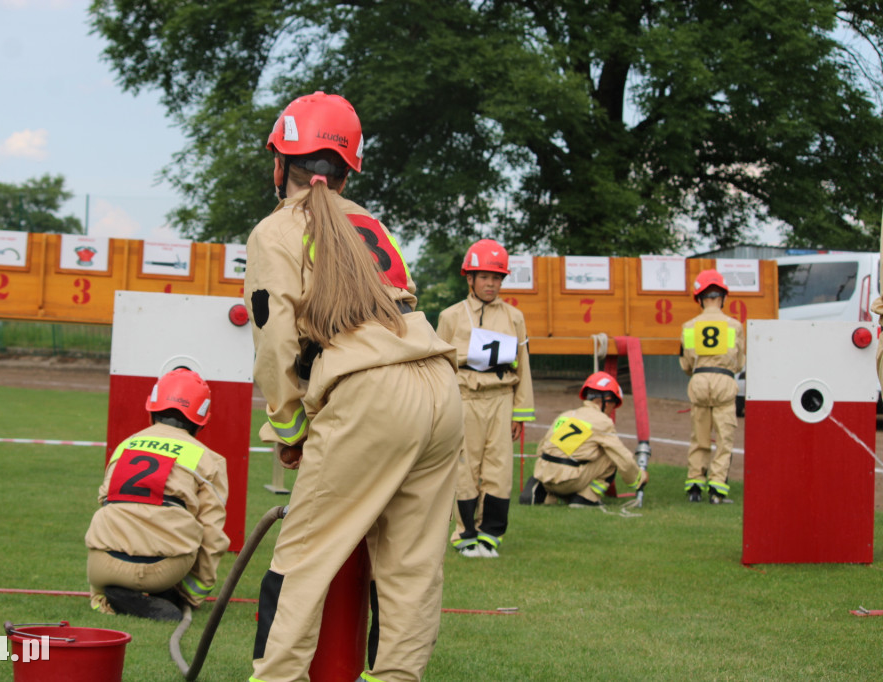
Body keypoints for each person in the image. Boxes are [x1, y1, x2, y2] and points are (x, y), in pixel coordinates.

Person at [244, 91, 464, 682]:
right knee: (413, 568)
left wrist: (289, 425)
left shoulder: (276, 230)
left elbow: (275, 339)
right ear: (347, 169)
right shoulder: (371, 222)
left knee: (301, 560)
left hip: (370, 393)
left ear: (279, 161)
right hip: (441, 389)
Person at [84, 367, 229, 622]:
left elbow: (106, 501)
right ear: (200, 418)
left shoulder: (125, 446)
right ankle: (158, 593)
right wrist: (191, 596)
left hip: (101, 564)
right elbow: (212, 536)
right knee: (187, 528)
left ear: (152, 409)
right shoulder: (208, 460)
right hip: (162, 568)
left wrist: (99, 590)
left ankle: (110, 596)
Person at [436, 239, 535, 557]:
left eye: (497, 278)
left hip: (502, 399)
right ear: (470, 278)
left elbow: (525, 365)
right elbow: (438, 367)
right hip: (465, 399)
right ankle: (465, 533)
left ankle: (490, 535)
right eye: (484, 277)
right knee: (465, 467)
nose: (491, 284)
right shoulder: (451, 316)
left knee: (499, 468)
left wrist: (521, 412)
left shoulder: (514, 317)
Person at [521, 371, 647, 507]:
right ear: (604, 401)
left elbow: (541, 449)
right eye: (614, 403)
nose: (613, 409)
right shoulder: (603, 422)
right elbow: (624, 459)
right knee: (611, 455)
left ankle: (545, 493)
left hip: (544, 474)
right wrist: (639, 478)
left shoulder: (567, 415)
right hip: (568, 480)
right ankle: (586, 498)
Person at [679, 269, 746, 504]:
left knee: (699, 437)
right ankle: (717, 489)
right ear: (722, 297)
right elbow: (739, 363)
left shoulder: (689, 326)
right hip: (724, 381)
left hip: (699, 380)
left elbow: (686, 363)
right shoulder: (734, 326)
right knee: (724, 438)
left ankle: (695, 486)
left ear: (699, 298)